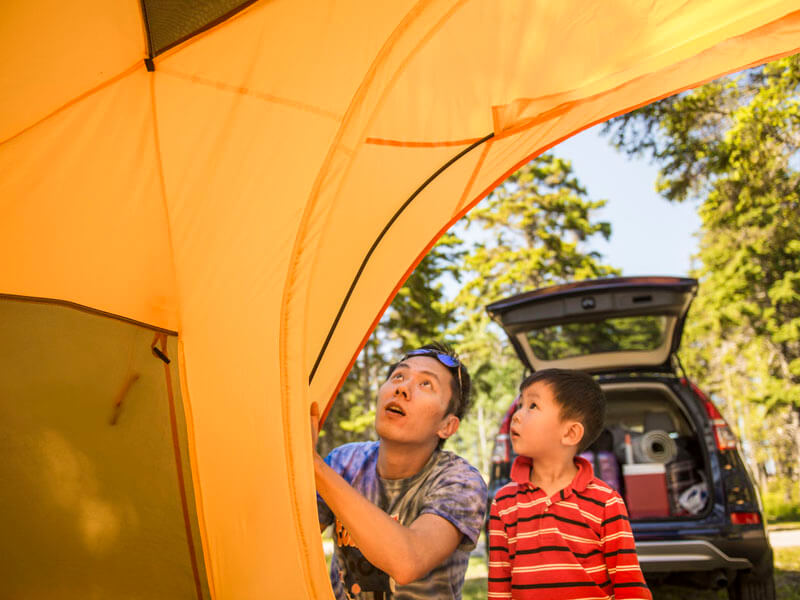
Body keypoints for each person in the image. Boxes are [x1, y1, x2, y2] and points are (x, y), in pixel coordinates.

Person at [311, 343, 487, 600]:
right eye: (398, 376)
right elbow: (284, 541)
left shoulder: (460, 481)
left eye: (426, 384)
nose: (402, 388)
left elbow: (408, 562)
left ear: (448, 426)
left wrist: (314, 464)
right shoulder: (343, 462)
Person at [488, 369, 652, 600]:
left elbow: (630, 587)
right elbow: (499, 585)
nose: (516, 415)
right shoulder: (504, 503)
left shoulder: (606, 502)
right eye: (520, 405)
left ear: (570, 433)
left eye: (532, 406)